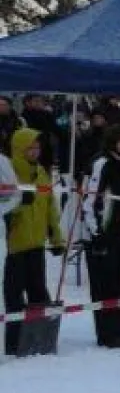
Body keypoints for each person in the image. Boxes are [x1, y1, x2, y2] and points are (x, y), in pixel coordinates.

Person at [3, 128, 65, 355]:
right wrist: (19, 203)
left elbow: (51, 209)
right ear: (19, 149)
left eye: (37, 147)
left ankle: (39, 340)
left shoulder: (41, 173)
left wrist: (57, 238)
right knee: (13, 296)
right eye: (30, 147)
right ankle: (13, 343)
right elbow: (3, 209)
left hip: (36, 245)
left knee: (38, 293)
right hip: (14, 246)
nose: (35, 151)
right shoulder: (8, 174)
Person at [86, 127, 120, 349]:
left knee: (119, 283)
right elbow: (90, 200)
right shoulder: (102, 164)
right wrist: (96, 232)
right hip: (103, 233)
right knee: (104, 285)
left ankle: (118, 329)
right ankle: (106, 333)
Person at [20, 94, 57, 172]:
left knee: (46, 173)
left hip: (46, 148)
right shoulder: (25, 115)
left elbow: (55, 128)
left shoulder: (47, 114)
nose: (38, 103)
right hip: (31, 147)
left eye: (40, 101)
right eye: (35, 101)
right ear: (30, 102)